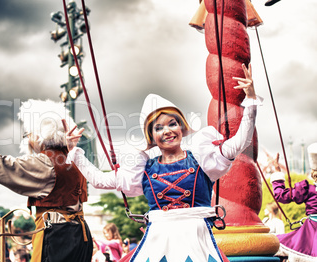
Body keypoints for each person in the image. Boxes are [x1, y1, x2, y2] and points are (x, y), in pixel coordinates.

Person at [64, 63, 261, 262]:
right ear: (151, 137)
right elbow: (99, 180)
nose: (167, 131)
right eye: (158, 128)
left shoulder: (203, 159)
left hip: (198, 247)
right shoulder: (142, 171)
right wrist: (75, 152)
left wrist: (251, 100)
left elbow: (241, 141)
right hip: (157, 248)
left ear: (181, 128)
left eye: (172, 124)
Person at [0, 99, 93, 261]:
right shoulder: (74, 159)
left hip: (58, 238)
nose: (27, 140)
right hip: (81, 236)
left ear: (41, 134)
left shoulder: (48, 162)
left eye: (28, 134)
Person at [270, 142, 317, 261]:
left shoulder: (309, 190)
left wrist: (277, 171)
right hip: (309, 233)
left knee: (270, 243)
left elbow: (281, 195)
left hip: (309, 236)